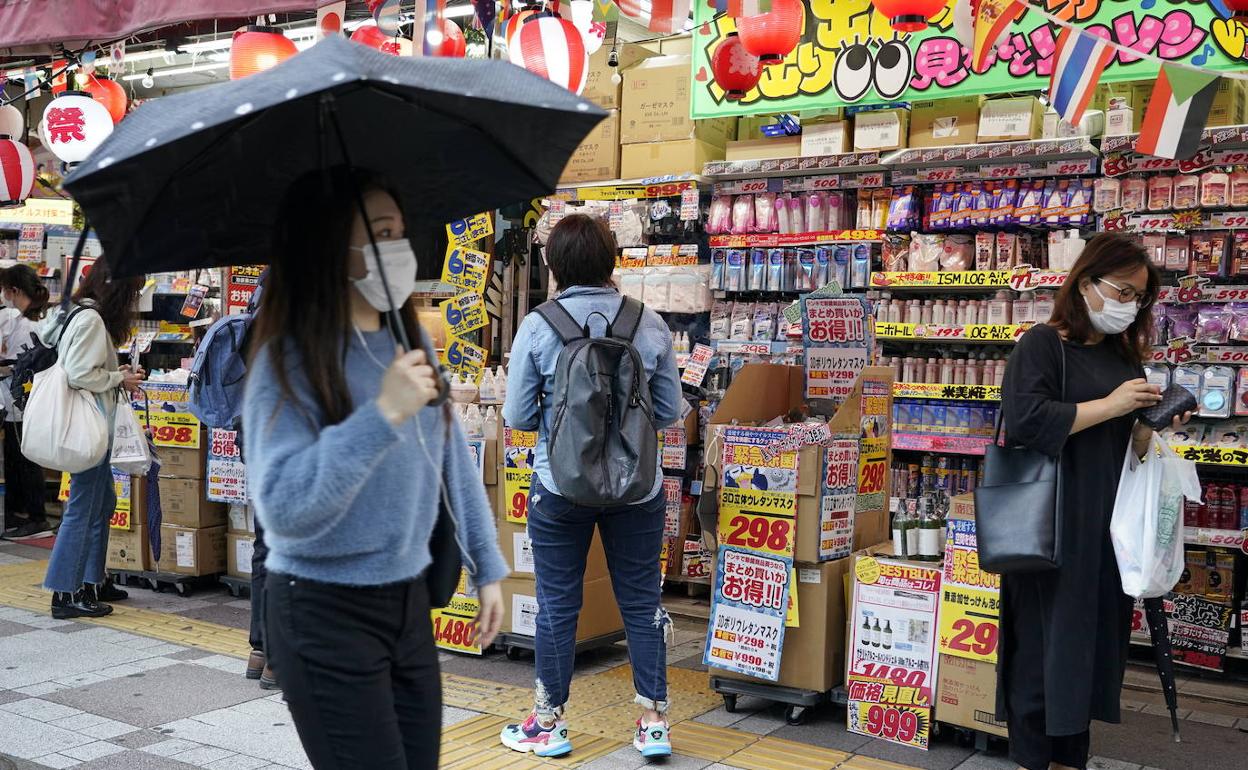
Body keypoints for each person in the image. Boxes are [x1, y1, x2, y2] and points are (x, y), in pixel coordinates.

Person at [243, 166, 508, 770]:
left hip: (408, 602)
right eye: (382, 233)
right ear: (332, 247)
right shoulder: (285, 359)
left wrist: (486, 564)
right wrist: (383, 410)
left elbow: (449, 456)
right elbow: (283, 508)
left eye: (401, 231)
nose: (400, 248)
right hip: (321, 610)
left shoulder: (408, 336)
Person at [500, 214, 682, 760]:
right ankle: (653, 721)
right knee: (642, 602)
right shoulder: (648, 323)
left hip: (559, 488)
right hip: (638, 490)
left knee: (557, 605)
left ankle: (548, 723)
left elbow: (516, 415)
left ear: (553, 266)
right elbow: (670, 412)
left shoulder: (538, 325)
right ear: (612, 261)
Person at [996, 233, 1181, 770]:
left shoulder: (1123, 356)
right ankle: (1034, 757)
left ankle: (1070, 755)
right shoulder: (1042, 344)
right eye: (1123, 291)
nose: (1130, 305)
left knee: (1085, 647)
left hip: (1106, 523)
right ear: (1085, 284)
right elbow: (1028, 423)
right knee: (1040, 646)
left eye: (1140, 298)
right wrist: (1111, 404)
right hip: (1049, 523)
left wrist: (1149, 425)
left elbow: (1126, 442)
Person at [37, 260, 145, 618]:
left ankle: (93, 579)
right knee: (84, 508)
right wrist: (119, 379)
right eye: (133, 293)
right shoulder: (91, 319)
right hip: (90, 426)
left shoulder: (75, 312)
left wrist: (114, 374)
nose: (134, 302)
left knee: (102, 503)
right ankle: (66, 593)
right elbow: (82, 373)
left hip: (93, 424)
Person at [0, 265, 52, 540]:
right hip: (22, 401)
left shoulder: (28, 325)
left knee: (25, 460)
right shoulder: (32, 319)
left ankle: (36, 517)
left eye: (5, 290)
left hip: (22, 401)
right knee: (17, 458)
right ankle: (19, 513)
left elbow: (12, 363)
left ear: (14, 291)